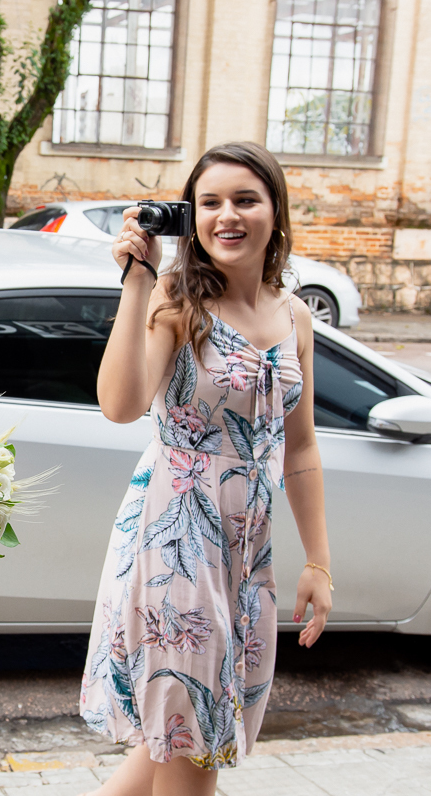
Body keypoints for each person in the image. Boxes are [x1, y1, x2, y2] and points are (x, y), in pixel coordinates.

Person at [78, 141, 334, 796]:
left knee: (170, 752)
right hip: (177, 550)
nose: (228, 215)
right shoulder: (177, 300)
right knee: (194, 754)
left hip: (247, 561)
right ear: (191, 216)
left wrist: (319, 562)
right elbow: (120, 404)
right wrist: (138, 282)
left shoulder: (295, 315)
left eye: (246, 199)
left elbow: (300, 447)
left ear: (275, 211)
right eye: (210, 202)